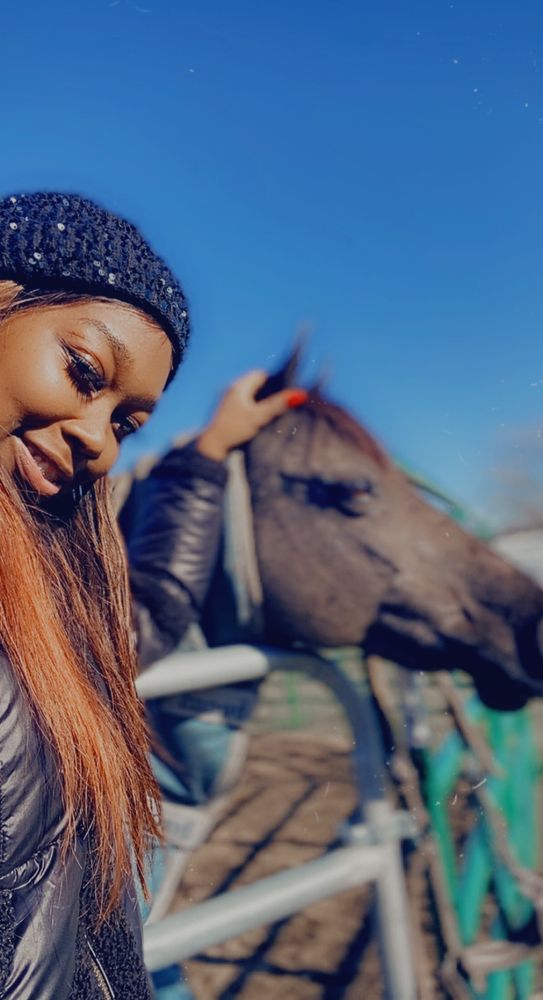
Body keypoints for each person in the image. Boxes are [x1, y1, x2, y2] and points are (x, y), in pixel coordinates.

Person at [0, 191, 304, 999]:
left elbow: (141, 623)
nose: (99, 439)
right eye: (84, 372)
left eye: (127, 424)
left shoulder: (41, 613)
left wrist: (206, 456)